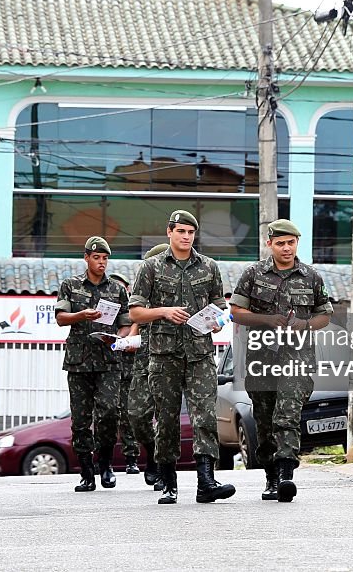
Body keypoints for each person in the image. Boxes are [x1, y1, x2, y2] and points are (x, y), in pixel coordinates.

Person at [129, 210, 235, 505]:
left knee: (205, 416)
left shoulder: (209, 267)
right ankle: (168, 481)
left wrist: (217, 319)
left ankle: (206, 482)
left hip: (200, 353)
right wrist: (163, 311)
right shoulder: (151, 267)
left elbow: (219, 304)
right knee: (166, 420)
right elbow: (135, 312)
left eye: (190, 232)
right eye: (181, 231)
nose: (186, 237)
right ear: (170, 233)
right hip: (164, 356)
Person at [229, 219, 332, 502]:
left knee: (287, 415)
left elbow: (325, 315)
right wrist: (266, 320)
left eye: (291, 243)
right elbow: (236, 312)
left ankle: (287, 474)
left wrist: (304, 324)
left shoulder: (311, 277)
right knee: (264, 419)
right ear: (270, 244)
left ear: (297, 243)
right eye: (281, 243)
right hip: (262, 357)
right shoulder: (253, 274)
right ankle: (271, 475)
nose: (286, 248)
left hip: (297, 357)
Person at [54, 236, 131, 492]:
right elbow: (61, 319)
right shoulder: (70, 285)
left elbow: (126, 322)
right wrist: (81, 315)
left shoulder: (117, 289)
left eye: (105, 258)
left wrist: (117, 338)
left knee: (109, 412)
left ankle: (106, 465)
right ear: (86, 258)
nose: (101, 263)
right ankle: (87, 473)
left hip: (108, 361)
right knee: (80, 420)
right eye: (96, 258)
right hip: (79, 362)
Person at [126, 243, 169, 491]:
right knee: (136, 414)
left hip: (167, 358)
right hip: (144, 360)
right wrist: (130, 339)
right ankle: (152, 450)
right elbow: (136, 323)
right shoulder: (144, 292)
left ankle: (163, 468)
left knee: (165, 417)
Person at [108, 271, 141, 475]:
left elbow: (134, 335)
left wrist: (122, 338)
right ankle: (105, 460)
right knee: (107, 415)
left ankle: (131, 459)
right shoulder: (104, 310)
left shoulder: (133, 310)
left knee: (129, 416)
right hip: (108, 368)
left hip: (129, 370)